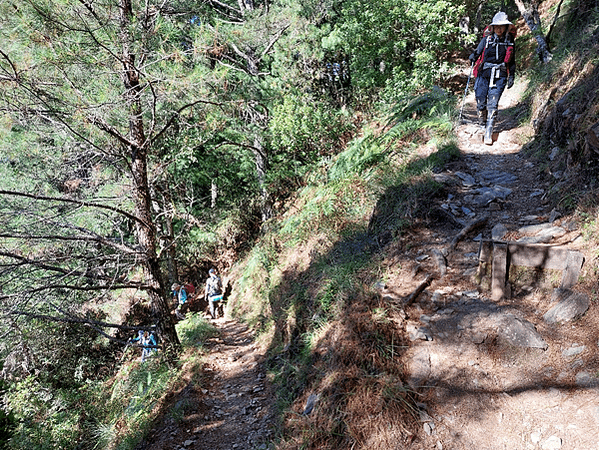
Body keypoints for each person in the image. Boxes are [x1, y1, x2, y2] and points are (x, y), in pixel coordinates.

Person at [469, 11, 516, 145]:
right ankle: (482, 123)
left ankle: (489, 132)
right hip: (484, 74)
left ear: (506, 27)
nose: (499, 29)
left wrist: (511, 75)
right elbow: (477, 52)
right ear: (493, 27)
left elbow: (512, 61)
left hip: (500, 75)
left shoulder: (510, 42)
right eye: (497, 26)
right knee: (480, 100)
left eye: (502, 26)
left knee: (493, 104)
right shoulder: (487, 40)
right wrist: (472, 57)